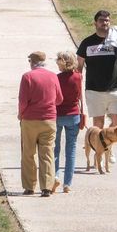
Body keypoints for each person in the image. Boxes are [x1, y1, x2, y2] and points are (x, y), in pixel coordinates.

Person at [75, 9, 117, 130]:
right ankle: (100, 148)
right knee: (98, 125)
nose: (105, 23)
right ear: (95, 23)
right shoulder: (87, 43)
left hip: (115, 89)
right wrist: (76, 87)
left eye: (107, 21)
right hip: (94, 90)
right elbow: (78, 67)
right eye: (101, 20)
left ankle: (107, 145)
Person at [18, 51, 62, 197]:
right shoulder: (53, 76)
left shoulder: (27, 77)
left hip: (30, 119)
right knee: (47, 153)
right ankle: (47, 187)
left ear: (32, 62)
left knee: (28, 153)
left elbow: (23, 100)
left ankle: (29, 186)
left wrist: (21, 113)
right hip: (49, 119)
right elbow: (59, 99)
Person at [51, 51, 83, 194]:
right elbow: (81, 97)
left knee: (55, 148)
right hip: (74, 115)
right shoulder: (78, 77)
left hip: (58, 114)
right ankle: (67, 183)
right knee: (71, 151)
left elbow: (54, 97)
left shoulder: (56, 78)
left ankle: (55, 176)